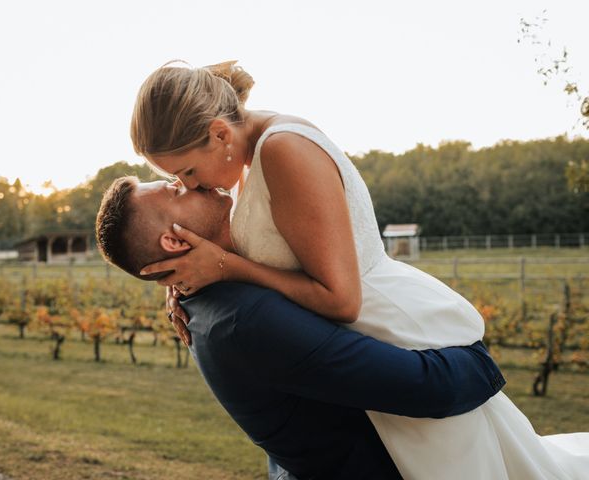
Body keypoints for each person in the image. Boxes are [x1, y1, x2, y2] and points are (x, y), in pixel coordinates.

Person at [127, 60, 589, 479]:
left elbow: (341, 300)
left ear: (219, 135)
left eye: (187, 171)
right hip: (362, 337)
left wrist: (228, 268)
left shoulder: (283, 151)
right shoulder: (245, 154)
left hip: (388, 322)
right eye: (178, 181)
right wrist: (185, 280)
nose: (191, 185)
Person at [95, 177, 506, 479]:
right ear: (173, 242)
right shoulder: (247, 318)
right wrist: (478, 358)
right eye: (175, 189)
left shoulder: (198, 294)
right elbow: (429, 388)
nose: (191, 181)